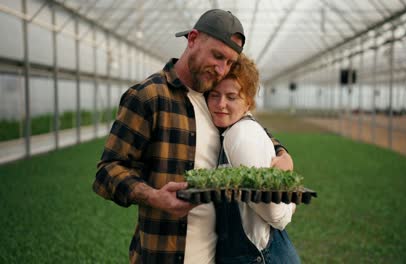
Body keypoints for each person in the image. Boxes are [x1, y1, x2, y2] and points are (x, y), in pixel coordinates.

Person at [92, 9, 293, 264]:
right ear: (193, 39)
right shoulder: (149, 97)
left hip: (214, 256)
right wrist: (154, 197)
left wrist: (282, 153)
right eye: (217, 56)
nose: (222, 69)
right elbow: (107, 170)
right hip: (161, 254)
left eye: (230, 62)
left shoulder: (215, 99)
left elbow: (248, 126)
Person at [206, 54, 301, 263]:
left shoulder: (241, 136)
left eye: (231, 97)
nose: (220, 104)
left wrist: (291, 201)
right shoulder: (231, 130)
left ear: (248, 102)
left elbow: (275, 214)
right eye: (214, 95)